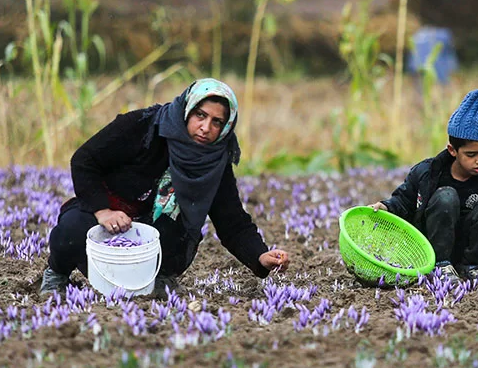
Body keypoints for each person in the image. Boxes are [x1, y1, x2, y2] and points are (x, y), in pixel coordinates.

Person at [40, 79, 290, 297]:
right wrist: (102, 211)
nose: (205, 127)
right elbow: (85, 159)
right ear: (187, 109)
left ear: (225, 127)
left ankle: (158, 279)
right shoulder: (144, 126)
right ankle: (57, 274)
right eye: (200, 115)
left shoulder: (215, 160)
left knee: (178, 234)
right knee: (71, 231)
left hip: (157, 233)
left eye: (217, 122)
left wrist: (260, 256)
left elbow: (232, 221)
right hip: (110, 218)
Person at [370, 89, 478, 280]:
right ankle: (440, 268)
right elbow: (404, 201)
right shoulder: (428, 173)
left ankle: (472, 268)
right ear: (452, 150)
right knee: (446, 196)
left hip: (476, 250)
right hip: (433, 248)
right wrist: (386, 207)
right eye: (471, 155)